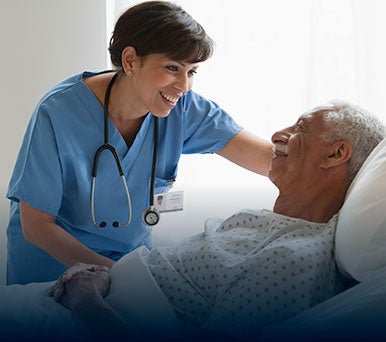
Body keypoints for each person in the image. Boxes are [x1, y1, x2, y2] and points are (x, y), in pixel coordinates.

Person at [43, 100, 385, 339]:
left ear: (336, 153)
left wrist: (86, 300)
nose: (278, 135)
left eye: (300, 128)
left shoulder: (294, 259)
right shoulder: (266, 222)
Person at [5, 1, 273, 285]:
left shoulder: (182, 108)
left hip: (127, 266)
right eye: (172, 68)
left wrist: (321, 155)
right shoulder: (59, 112)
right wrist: (120, 276)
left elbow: (266, 158)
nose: (184, 85)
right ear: (131, 60)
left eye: (192, 71)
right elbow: (36, 226)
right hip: (50, 271)